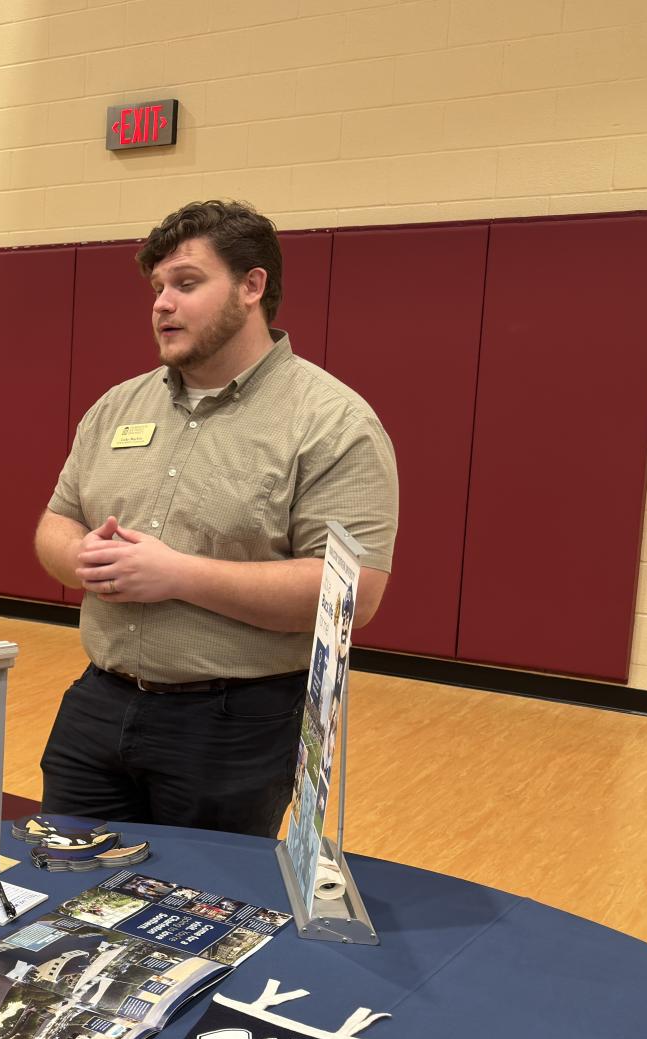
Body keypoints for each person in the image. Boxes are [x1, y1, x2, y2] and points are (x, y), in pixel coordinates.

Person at [32, 200, 399, 837]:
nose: (162, 303)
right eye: (157, 288)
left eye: (187, 283)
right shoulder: (118, 406)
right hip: (99, 703)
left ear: (251, 287)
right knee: (66, 893)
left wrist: (176, 575)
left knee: (203, 914)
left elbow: (353, 595)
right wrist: (79, 556)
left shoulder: (332, 422)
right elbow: (55, 523)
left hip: (234, 725)